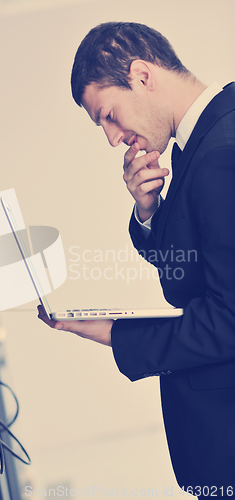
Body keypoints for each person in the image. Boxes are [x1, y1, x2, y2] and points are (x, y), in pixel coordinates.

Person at [38, 22, 235, 496]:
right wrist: (149, 211)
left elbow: (230, 319)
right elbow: (194, 274)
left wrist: (114, 333)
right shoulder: (205, 138)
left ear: (142, 76)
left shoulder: (219, 156)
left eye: (108, 114)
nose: (111, 138)